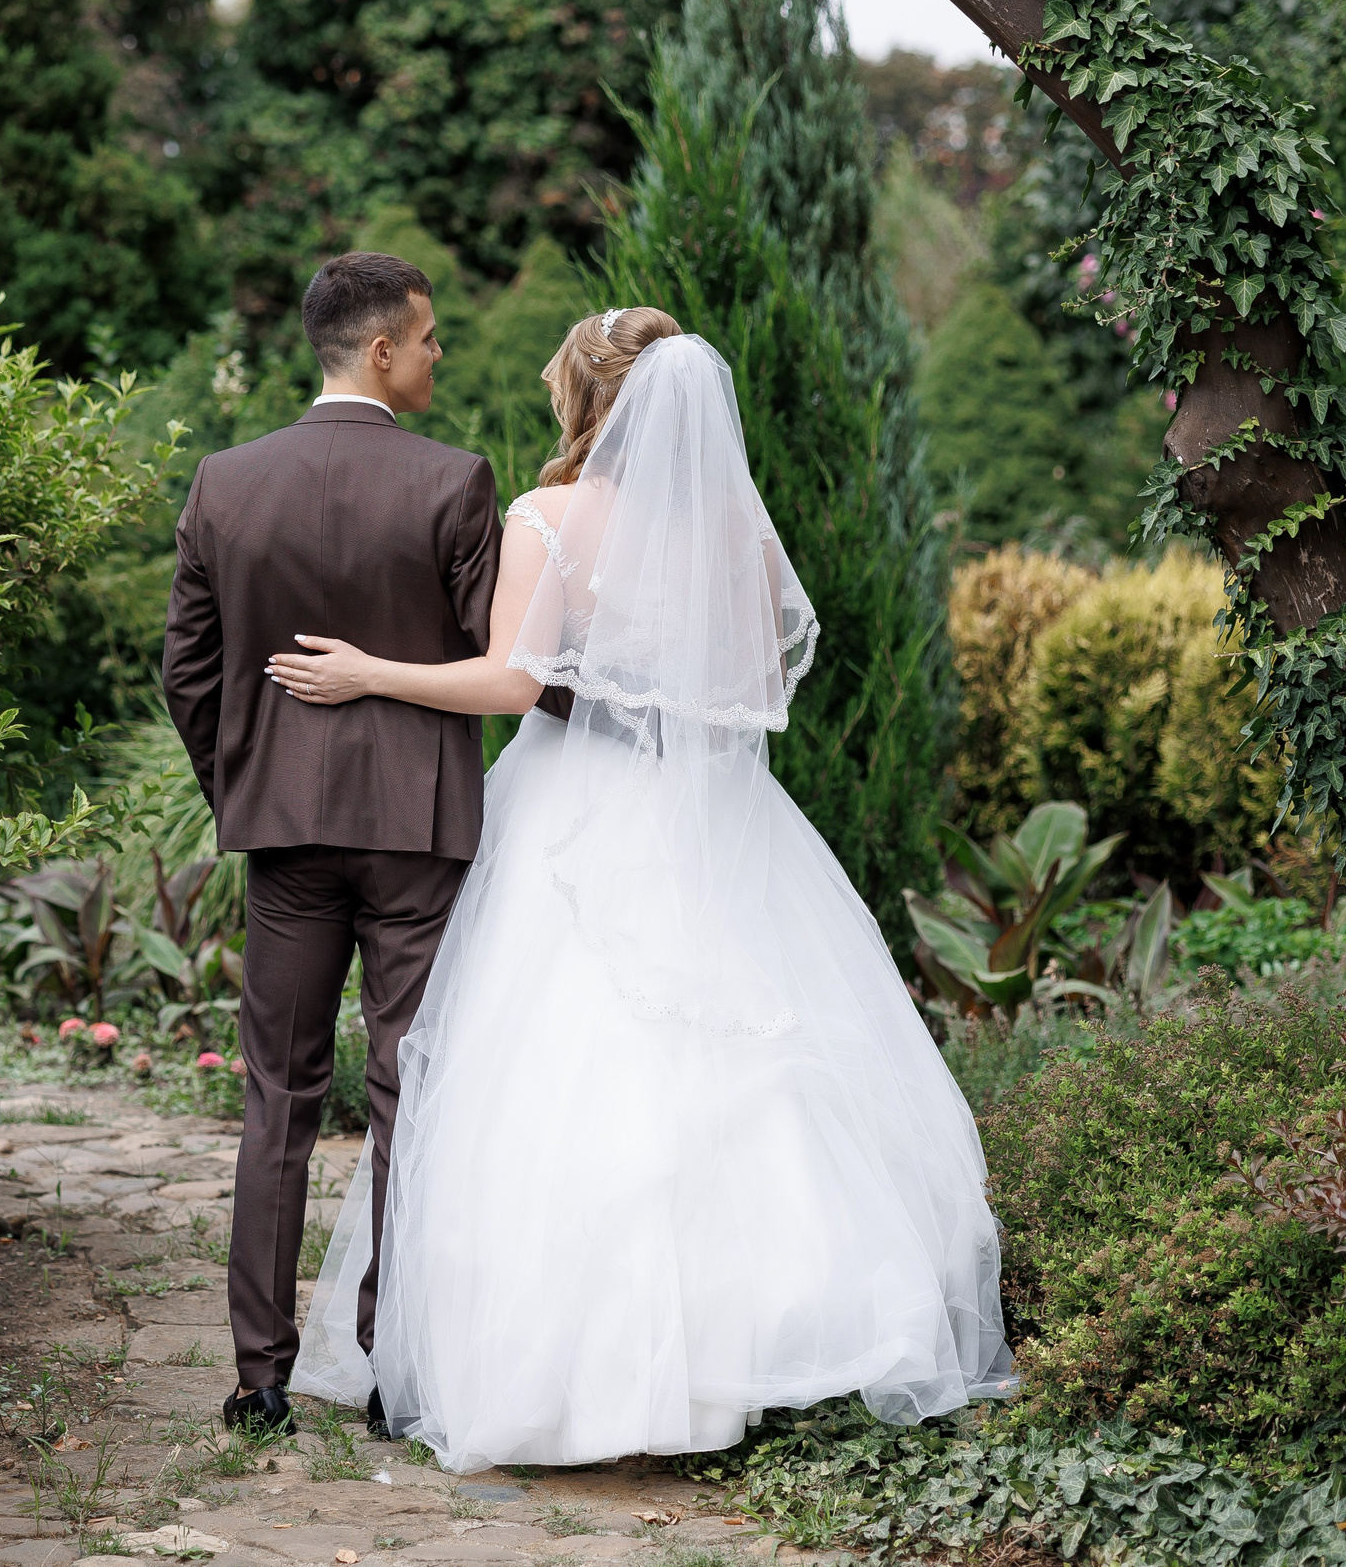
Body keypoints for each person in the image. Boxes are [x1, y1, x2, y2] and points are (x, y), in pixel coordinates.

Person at [270, 310, 1013, 1470]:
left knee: (551, 1073)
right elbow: (760, 683)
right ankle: (749, 1356)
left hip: (579, 802)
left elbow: (514, 682)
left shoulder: (548, 517)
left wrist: (371, 673)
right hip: (715, 818)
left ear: (585, 397)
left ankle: (566, 1378)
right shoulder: (735, 531)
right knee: (741, 1068)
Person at [162, 251, 502, 1439]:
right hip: (417, 836)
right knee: (412, 1094)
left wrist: (246, 783)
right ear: (379, 351)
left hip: (286, 838)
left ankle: (259, 1377)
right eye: (427, 338)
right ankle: (386, 1368)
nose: (436, 355)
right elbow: (485, 664)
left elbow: (187, 675)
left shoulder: (224, 482)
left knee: (277, 1100)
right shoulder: (457, 484)